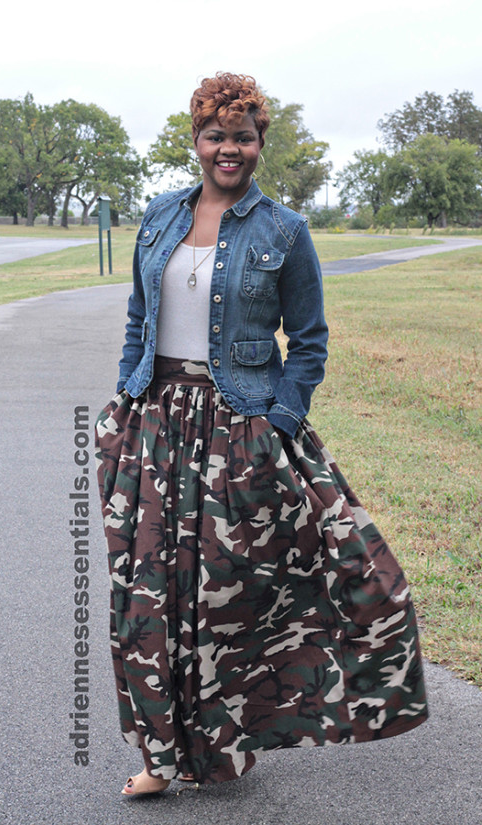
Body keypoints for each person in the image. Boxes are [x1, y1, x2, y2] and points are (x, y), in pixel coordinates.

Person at [95, 72, 428, 797]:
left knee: (231, 597)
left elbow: (308, 341)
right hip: (156, 426)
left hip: (238, 426)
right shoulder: (157, 217)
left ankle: (224, 745)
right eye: (215, 134)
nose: (228, 148)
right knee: (150, 598)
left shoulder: (284, 230)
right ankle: (158, 756)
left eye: (242, 136)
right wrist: (123, 406)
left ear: (258, 144)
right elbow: (136, 323)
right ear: (195, 141)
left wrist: (275, 421)